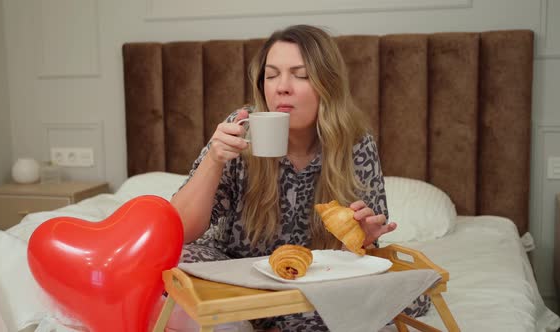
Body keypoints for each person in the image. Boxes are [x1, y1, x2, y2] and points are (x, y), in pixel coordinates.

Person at [171, 24, 428, 332]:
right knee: (171, 261)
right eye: (272, 74)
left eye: (301, 74)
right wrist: (214, 159)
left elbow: (356, 256)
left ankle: (257, 316)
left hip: (316, 277)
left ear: (327, 84)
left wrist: (362, 238)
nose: (282, 87)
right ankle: (254, 315)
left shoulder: (356, 144)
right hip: (236, 272)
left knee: (408, 290)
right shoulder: (240, 128)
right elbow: (180, 230)